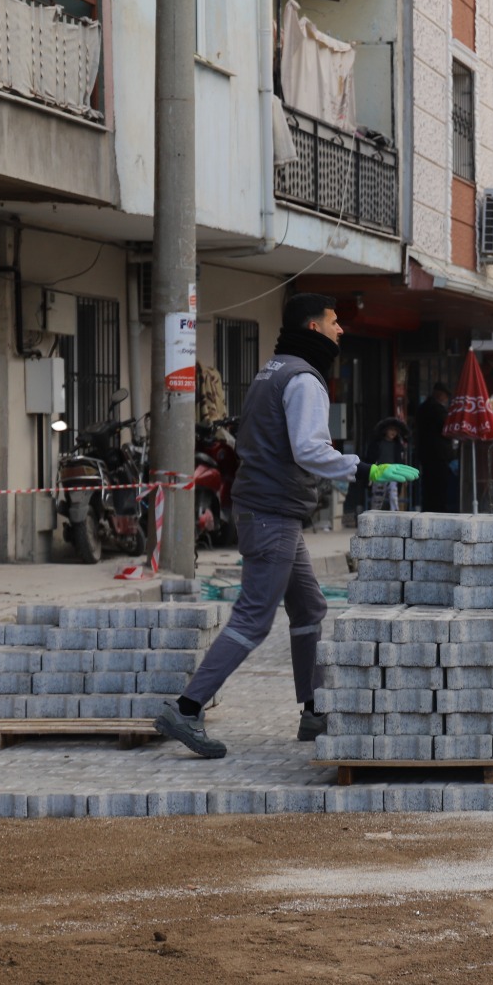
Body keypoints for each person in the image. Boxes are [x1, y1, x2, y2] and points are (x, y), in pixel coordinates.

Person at [154, 294, 419, 758]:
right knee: (254, 618)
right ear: (314, 327)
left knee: (311, 608)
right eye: (335, 322)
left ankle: (314, 711)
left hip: (273, 512)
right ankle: (187, 706)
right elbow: (310, 449)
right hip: (272, 513)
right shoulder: (303, 381)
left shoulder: (272, 370)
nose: (342, 331)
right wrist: (368, 469)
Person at [415, 382, 455, 512]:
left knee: (428, 486)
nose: (446, 399)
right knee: (438, 487)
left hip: (427, 454)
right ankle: (437, 511)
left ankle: (429, 509)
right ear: (440, 395)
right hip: (438, 455)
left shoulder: (423, 408)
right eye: (445, 396)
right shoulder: (437, 410)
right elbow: (447, 428)